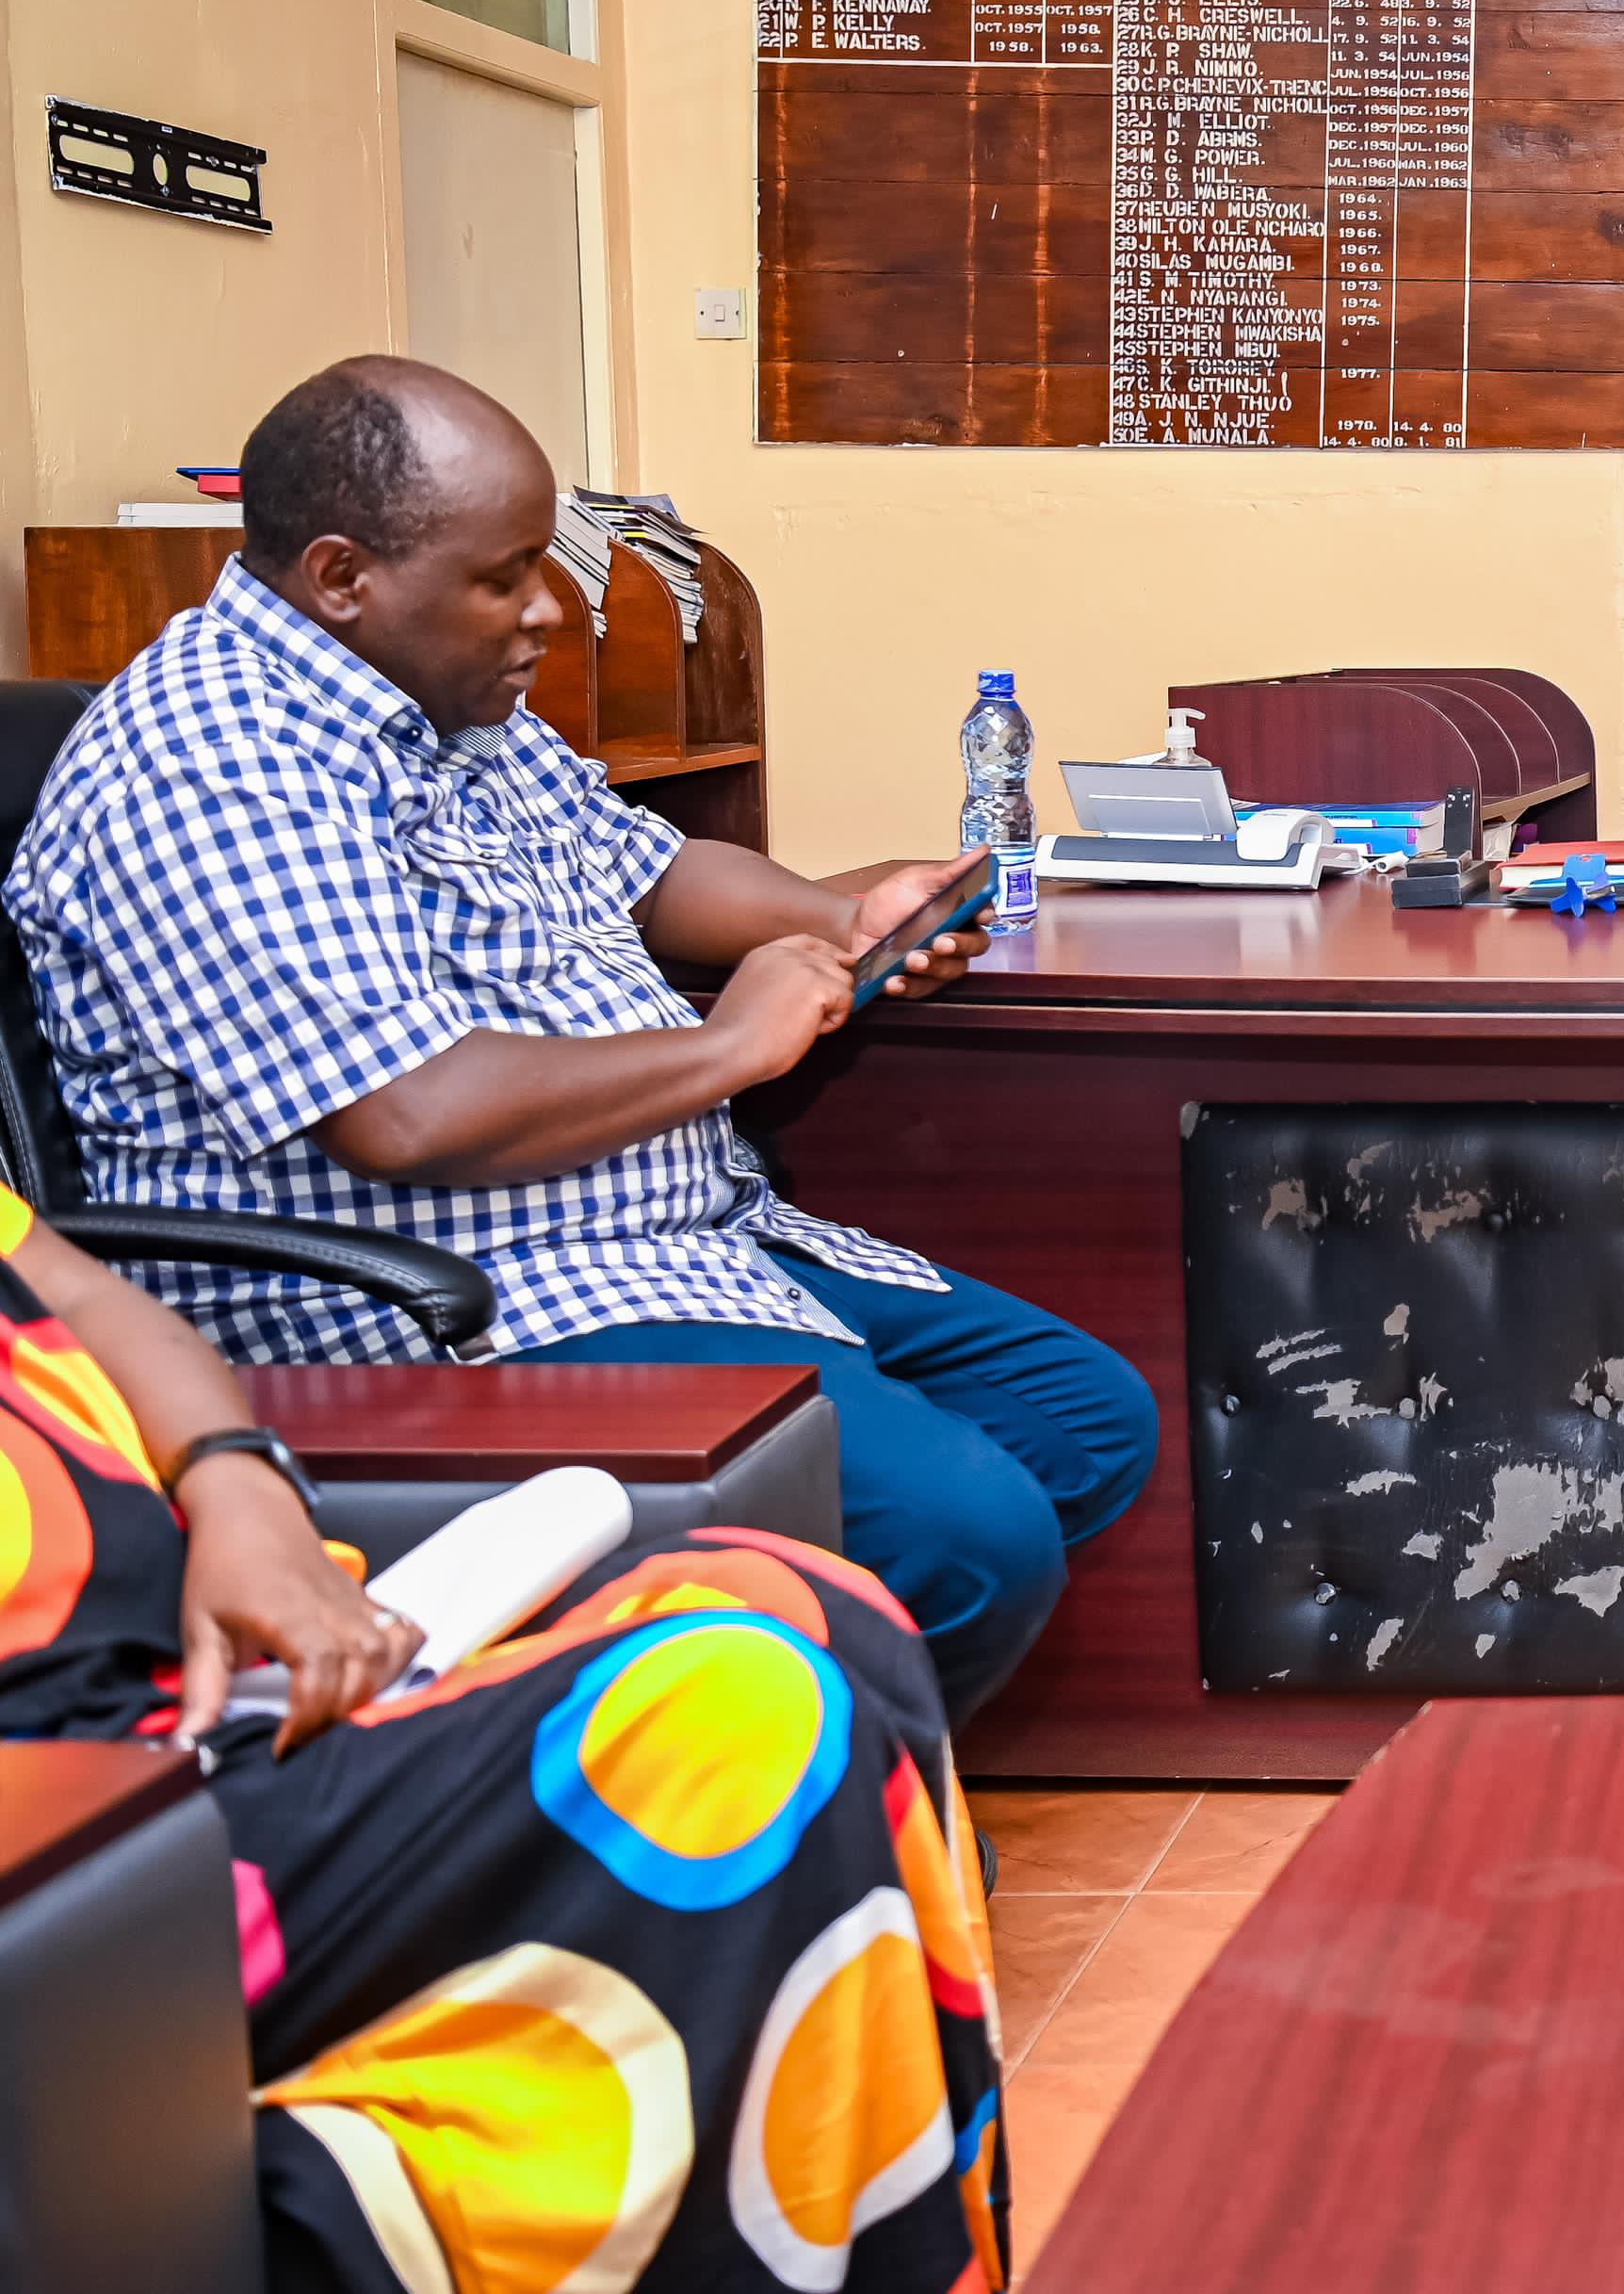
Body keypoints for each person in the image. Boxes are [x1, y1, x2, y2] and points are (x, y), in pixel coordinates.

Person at [8, 356, 1153, 1723]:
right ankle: (771, 1817)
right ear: (339, 575)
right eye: (507, 577)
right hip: (458, 1300)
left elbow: (645, 872)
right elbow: (406, 1114)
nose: (549, 609)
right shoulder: (211, 765)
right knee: (971, 1534)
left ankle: (803, 1725)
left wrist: (847, 914)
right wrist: (730, 1053)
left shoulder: (437, 697)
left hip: (678, 1242)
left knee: (1085, 1420)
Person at [0, 1183, 1004, 2285]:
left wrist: (240, 1487)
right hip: (90, 1826)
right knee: (744, 1707)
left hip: (230, 1689)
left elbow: (95, 1300)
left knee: (799, 1599)